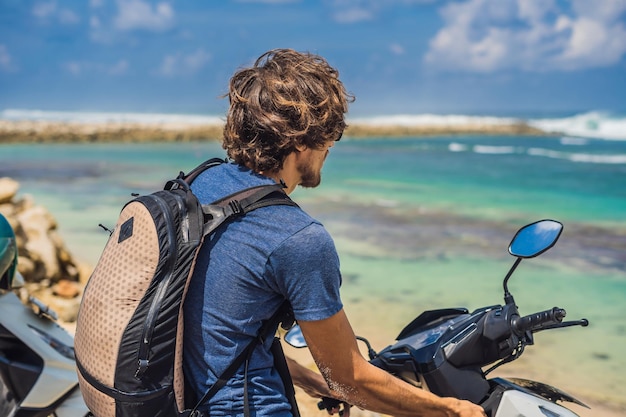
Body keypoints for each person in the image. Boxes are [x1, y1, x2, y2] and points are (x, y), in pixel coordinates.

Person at [182, 48, 487, 417]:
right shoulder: (298, 238)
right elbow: (351, 379)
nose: (330, 148)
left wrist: (312, 381)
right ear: (301, 140)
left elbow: (218, 336)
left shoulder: (199, 185)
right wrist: (449, 410)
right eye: (331, 136)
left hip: (181, 399)